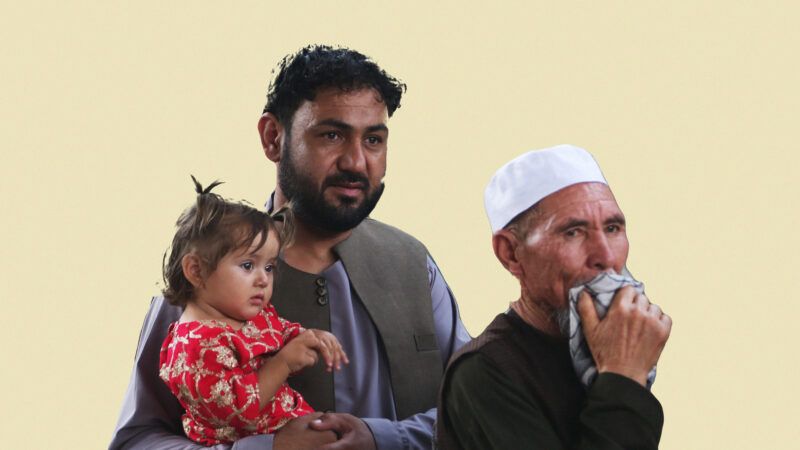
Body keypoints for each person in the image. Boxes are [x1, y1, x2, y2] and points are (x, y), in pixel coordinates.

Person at [109, 45, 470, 450]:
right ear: (273, 138)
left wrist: (380, 438)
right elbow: (136, 441)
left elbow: (476, 411)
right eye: (331, 135)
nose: (356, 161)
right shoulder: (205, 274)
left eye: (373, 140)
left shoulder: (413, 265)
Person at [436, 145, 672, 449]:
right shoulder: (484, 372)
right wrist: (623, 377)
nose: (606, 256)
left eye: (613, 228)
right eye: (573, 232)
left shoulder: (605, 347)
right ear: (511, 253)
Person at [158, 177, 348, 445]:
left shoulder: (245, 314)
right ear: (196, 271)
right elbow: (237, 411)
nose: (263, 279)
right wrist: (283, 363)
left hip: (287, 425)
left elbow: (280, 331)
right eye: (248, 266)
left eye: (269, 267)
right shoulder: (196, 346)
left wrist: (309, 337)